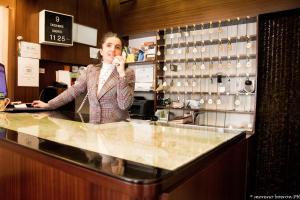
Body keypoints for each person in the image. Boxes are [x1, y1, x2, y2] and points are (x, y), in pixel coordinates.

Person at [32, 32, 135, 124]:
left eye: (117, 47)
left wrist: (121, 73)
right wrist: (49, 105)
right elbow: (73, 91)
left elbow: (124, 105)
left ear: (121, 52)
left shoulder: (127, 73)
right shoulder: (91, 70)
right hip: (94, 127)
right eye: (109, 45)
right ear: (101, 51)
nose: (113, 49)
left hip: (117, 130)